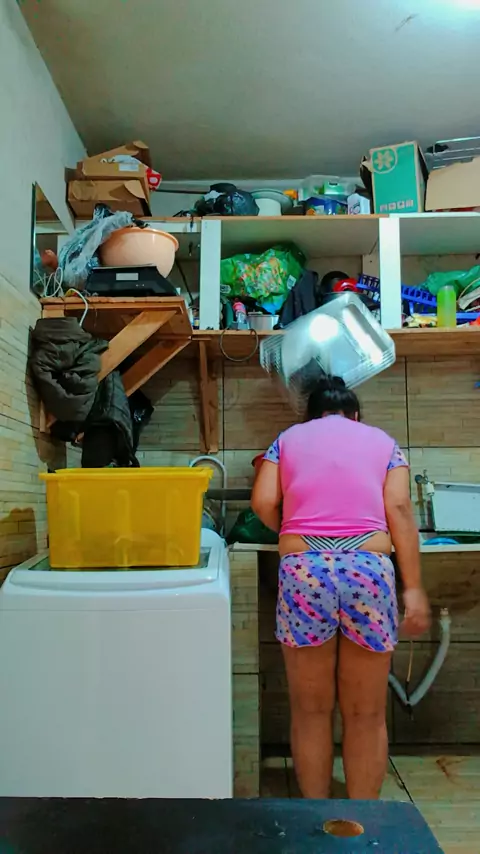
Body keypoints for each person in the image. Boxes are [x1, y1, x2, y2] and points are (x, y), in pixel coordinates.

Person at [251, 375, 430, 800]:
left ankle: (317, 816)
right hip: (367, 569)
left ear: (312, 416)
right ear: (355, 415)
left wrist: (294, 534)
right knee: (366, 713)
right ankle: (362, 820)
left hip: (305, 569)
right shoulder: (384, 443)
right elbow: (399, 508)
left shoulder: (287, 440)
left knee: (311, 710)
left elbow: (262, 501)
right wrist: (413, 587)